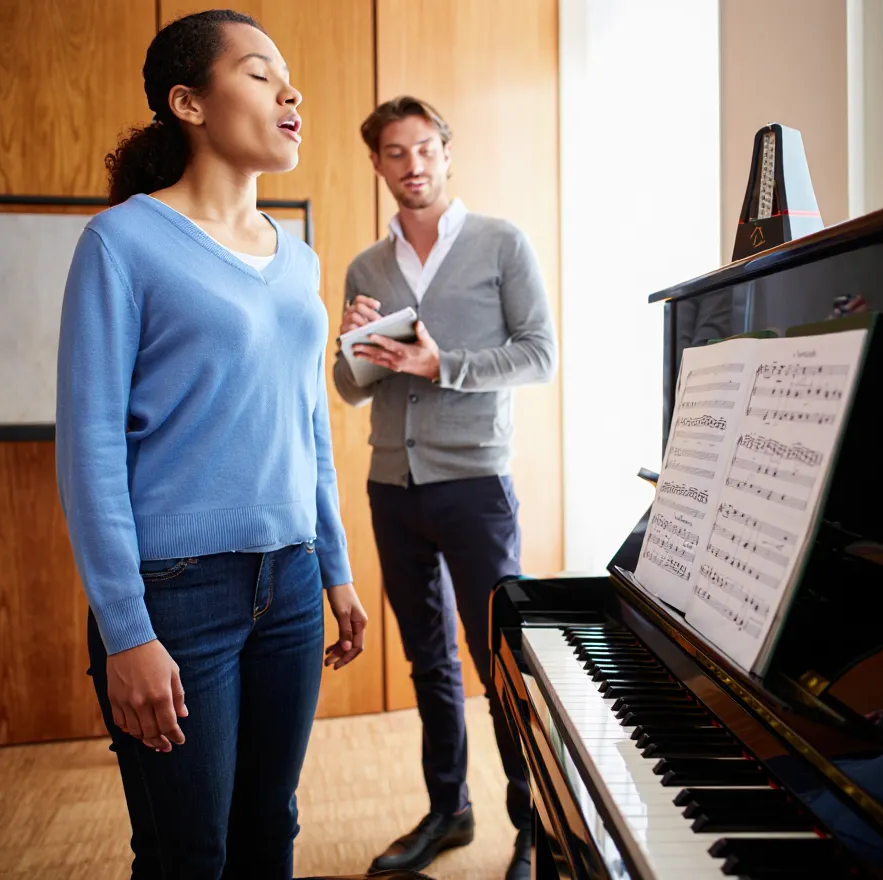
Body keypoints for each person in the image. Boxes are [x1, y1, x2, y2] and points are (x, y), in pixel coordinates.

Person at [55, 11, 368, 879]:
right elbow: (87, 448)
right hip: (175, 596)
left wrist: (334, 567)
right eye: (261, 73)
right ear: (188, 102)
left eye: (289, 76)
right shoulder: (121, 241)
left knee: (271, 828)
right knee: (189, 852)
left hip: (293, 582)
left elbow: (308, 425)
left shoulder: (297, 260)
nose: (290, 91)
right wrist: (126, 631)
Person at [333, 96, 557, 879]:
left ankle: (536, 826)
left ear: (446, 152)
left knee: (501, 662)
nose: (413, 165)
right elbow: (350, 387)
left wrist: (443, 365)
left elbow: (540, 355)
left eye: (424, 149)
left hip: (474, 486)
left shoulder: (501, 243)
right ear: (378, 164)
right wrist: (356, 344)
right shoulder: (367, 266)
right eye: (395, 153)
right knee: (429, 661)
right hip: (392, 486)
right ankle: (447, 810)